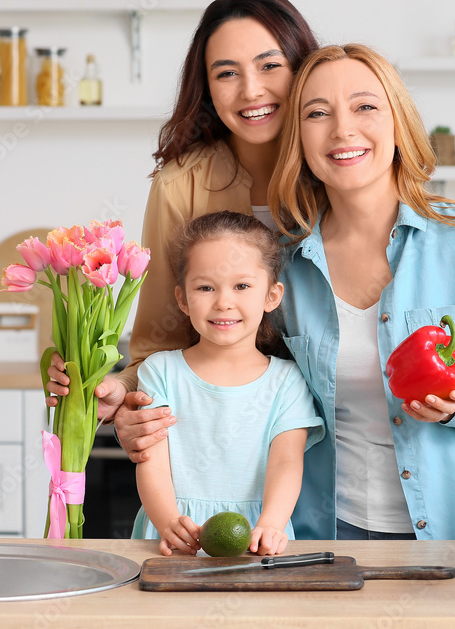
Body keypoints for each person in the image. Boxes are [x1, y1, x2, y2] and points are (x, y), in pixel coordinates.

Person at [46, 0, 455, 463]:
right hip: (226, 429)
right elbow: (162, 335)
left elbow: (417, 239)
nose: (251, 90)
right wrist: (128, 396)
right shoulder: (185, 185)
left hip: (314, 444)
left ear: (301, 70)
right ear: (207, 88)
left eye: (270, 65)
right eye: (226, 73)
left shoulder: (343, 167)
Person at [265, 43, 455, 540]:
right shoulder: (285, 266)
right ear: (299, 139)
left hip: (452, 541)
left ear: (398, 122)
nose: (343, 129)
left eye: (365, 106)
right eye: (317, 113)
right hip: (325, 536)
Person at [131, 211, 323, 556]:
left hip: (255, 536)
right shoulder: (160, 371)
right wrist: (168, 522)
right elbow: (152, 462)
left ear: (272, 296)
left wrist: (272, 524)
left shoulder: (287, 381)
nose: (223, 302)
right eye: (205, 287)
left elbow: (287, 463)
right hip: (174, 536)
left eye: (242, 286)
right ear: (182, 299)